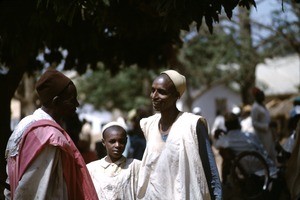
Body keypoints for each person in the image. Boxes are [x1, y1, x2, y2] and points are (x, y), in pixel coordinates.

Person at [4, 69, 98, 199]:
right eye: (72, 99)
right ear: (56, 102)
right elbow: (35, 191)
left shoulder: (24, 124)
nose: (76, 104)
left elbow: (9, 183)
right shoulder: (49, 137)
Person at [137, 69, 222, 200]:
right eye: (153, 90)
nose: (154, 96)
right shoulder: (149, 125)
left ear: (177, 95)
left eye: (161, 92)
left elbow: (210, 171)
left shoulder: (192, 125)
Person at [87, 122, 141, 200]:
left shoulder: (135, 166)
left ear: (126, 141)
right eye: (112, 141)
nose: (117, 145)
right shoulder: (91, 169)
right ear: (103, 142)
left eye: (121, 141)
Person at [251, 87, 277, 162]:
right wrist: (267, 125)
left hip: (269, 134)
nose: (263, 97)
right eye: (261, 95)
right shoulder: (255, 108)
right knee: (265, 156)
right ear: (257, 96)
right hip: (262, 136)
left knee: (272, 154)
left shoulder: (263, 106)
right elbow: (254, 123)